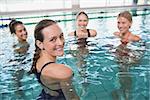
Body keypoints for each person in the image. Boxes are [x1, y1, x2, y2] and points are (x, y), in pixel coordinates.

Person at [29, 19, 80, 100]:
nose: (60, 43)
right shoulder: (64, 72)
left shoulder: (38, 60)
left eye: (61, 36)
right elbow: (73, 98)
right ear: (40, 44)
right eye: (53, 39)